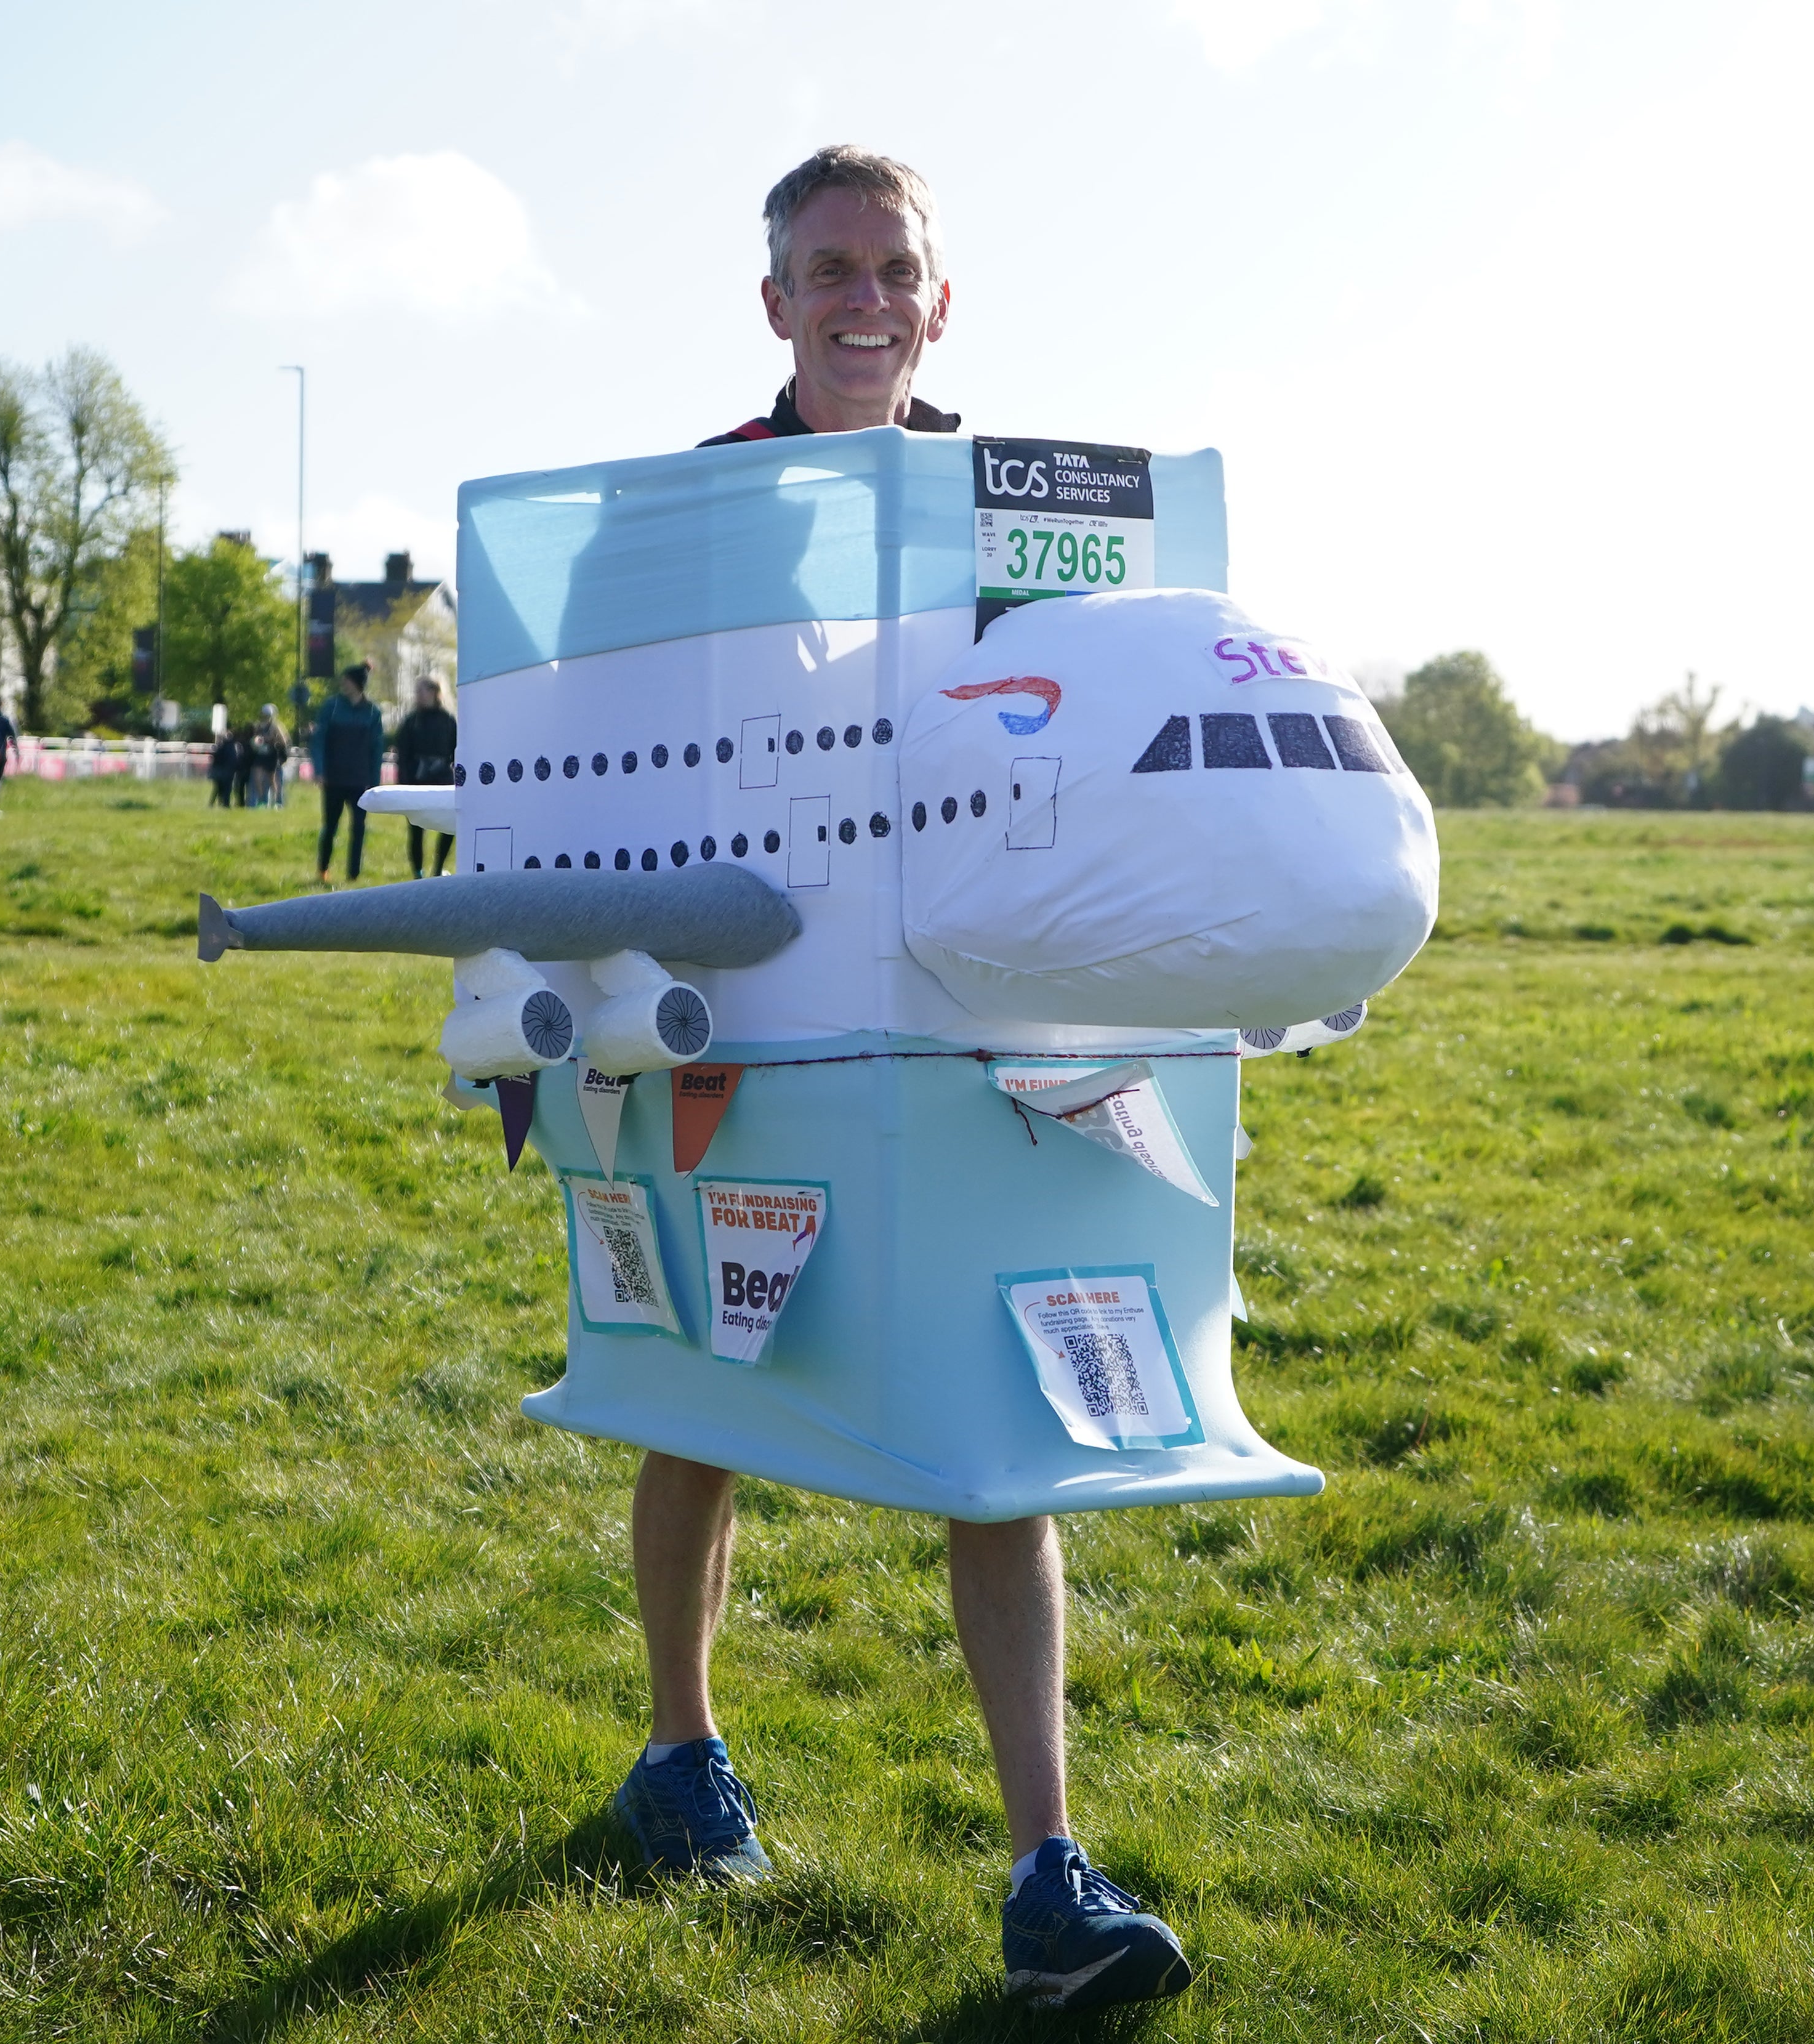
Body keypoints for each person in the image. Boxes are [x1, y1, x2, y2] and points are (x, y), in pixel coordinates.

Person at [607, 146, 1187, 2016]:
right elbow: (604, 764)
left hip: (957, 1013)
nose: (862, 297)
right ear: (774, 302)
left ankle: (1044, 1871)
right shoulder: (687, 514)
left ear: (942, 300)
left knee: (995, 1421)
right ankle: (682, 1758)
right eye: (827, 269)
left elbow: (1092, 748)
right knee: (701, 1375)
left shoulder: (1020, 514)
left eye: (892, 269)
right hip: (743, 1013)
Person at [310, 663, 384, 884]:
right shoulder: (331, 707)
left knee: (359, 828)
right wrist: (320, 770)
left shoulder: (373, 712)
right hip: (334, 778)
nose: (343, 683)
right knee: (329, 826)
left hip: (360, 780)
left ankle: (354, 874)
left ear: (357, 684)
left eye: (347, 680)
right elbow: (318, 740)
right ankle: (323, 870)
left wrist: (375, 782)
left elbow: (377, 748)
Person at [390, 678, 458, 876]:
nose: (418, 695)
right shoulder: (411, 722)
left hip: (443, 780)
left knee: (447, 827)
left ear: (434, 693)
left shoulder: (448, 721)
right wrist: (403, 782)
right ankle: (418, 871)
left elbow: (456, 751)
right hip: (416, 779)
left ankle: (438, 867)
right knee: (416, 829)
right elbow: (402, 754)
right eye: (417, 691)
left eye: (422, 690)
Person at [249, 706, 288, 807]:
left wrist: (272, 740)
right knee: (257, 777)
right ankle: (262, 800)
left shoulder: (276, 727)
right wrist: (257, 741)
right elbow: (255, 739)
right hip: (261, 754)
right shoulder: (258, 726)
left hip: (271, 754)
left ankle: (276, 802)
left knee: (272, 779)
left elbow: (283, 741)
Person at [208, 720, 243, 809]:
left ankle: (216, 803)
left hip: (222, 769)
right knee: (226, 788)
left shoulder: (223, 745)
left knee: (219, 788)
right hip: (228, 770)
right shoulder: (234, 746)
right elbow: (236, 758)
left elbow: (217, 756)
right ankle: (225, 803)